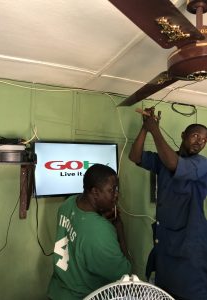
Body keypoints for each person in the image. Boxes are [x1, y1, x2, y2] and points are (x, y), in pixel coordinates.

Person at [129, 107, 207, 300]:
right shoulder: (165, 159)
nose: (200, 142)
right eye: (196, 135)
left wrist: (155, 130)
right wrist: (145, 128)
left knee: (191, 293)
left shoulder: (202, 164)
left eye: (204, 140)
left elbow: (175, 164)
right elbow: (135, 157)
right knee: (164, 294)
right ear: (183, 135)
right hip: (165, 247)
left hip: (190, 250)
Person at [48, 163, 131, 300]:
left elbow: (81, 233)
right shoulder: (100, 231)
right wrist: (119, 228)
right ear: (95, 192)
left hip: (57, 291)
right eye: (112, 190)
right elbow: (124, 275)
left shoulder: (68, 203)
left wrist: (99, 218)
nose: (117, 195)